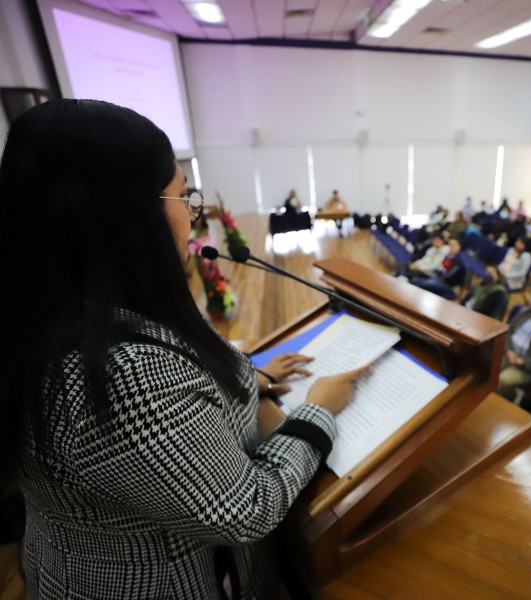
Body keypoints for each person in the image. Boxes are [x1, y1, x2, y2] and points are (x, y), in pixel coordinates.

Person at [0, 100, 372, 598]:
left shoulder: (51, 309)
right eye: (181, 196)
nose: (192, 214)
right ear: (126, 215)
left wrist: (250, 376)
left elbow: (172, 388)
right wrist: (317, 412)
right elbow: (244, 509)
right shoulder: (119, 374)